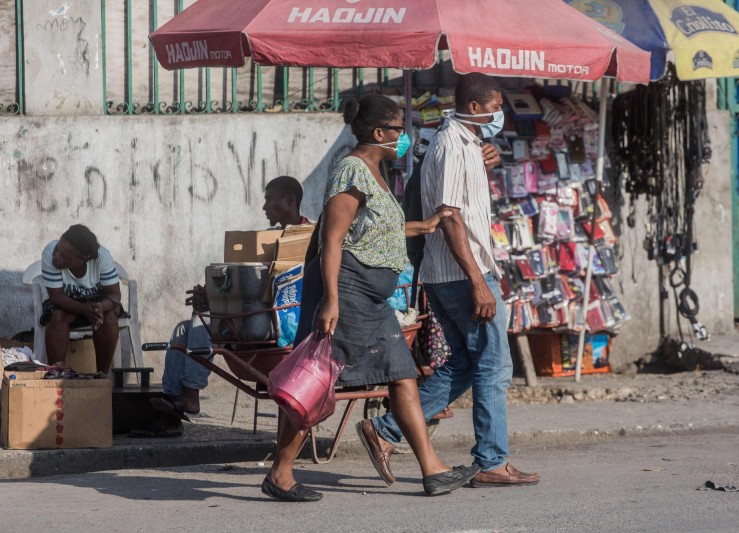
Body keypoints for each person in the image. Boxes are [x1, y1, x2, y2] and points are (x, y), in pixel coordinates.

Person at [260, 94, 479, 502]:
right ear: (379, 133)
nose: (404, 136)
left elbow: (377, 233)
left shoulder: (375, 173)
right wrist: (330, 300)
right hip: (350, 291)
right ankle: (280, 472)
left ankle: (432, 469)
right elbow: (332, 239)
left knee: (403, 375)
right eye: (398, 129)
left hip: (374, 299)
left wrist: (425, 226)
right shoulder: (351, 171)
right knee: (316, 380)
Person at [363, 73, 541, 488]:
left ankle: (385, 429)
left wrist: (485, 159)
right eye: (495, 106)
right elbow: (449, 216)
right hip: (461, 273)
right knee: (495, 365)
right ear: (476, 107)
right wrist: (477, 281)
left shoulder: (465, 144)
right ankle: (492, 461)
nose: (500, 114)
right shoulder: (451, 145)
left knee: (462, 366)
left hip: (452, 273)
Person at [132, 177, 309, 438]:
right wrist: (216, 296)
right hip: (255, 315)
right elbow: (246, 286)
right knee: (182, 331)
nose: (264, 207)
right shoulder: (264, 240)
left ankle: (190, 394)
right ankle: (171, 408)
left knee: (200, 325)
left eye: (270, 199)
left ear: (290, 201)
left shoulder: (309, 237)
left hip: (280, 324)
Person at [40, 224, 123, 374]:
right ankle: (56, 375)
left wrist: (98, 308)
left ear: (83, 259)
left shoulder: (102, 257)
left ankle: (101, 377)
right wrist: (84, 309)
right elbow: (57, 296)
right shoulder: (49, 253)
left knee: (108, 317)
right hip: (66, 304)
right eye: (58, 248)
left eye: (64, 256)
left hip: (97, 302)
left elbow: (114, 295)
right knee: (57, 317)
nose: (56, 256)